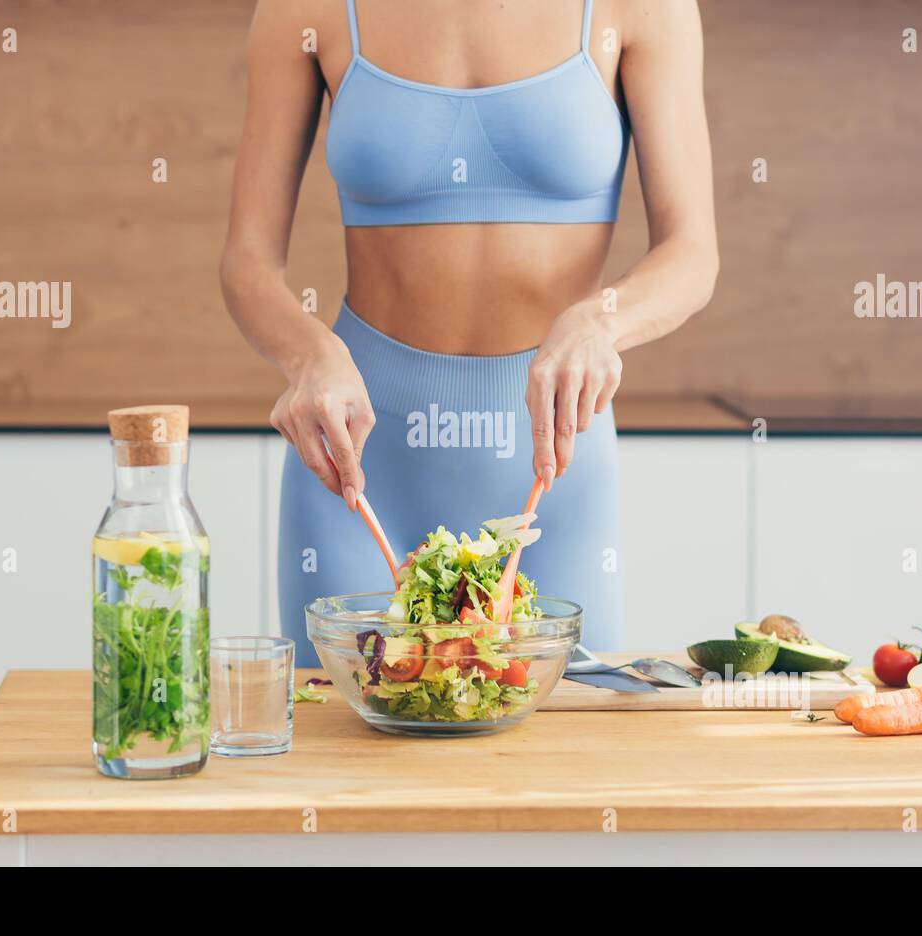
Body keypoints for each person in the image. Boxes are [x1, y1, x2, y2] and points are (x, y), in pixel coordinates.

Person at [221, 0, 718, 665]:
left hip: (550, 474)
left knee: (565, 751)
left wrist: (601, 321)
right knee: (341, 756)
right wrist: (310, 356)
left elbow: (693, 253)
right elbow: (247, 264)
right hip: (359, 464)